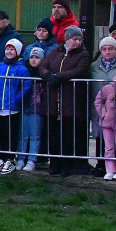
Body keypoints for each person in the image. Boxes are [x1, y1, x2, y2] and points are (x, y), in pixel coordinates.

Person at [39, 25, 91, 177]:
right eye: (75, 39)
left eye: (80, 39)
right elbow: (43, 65)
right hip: (53, 100)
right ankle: (54, 164)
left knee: (68, 135)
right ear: (67, 39)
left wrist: (60, 76)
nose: (78, 42)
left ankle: (67, 166)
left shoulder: (83, 55)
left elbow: (80, 70)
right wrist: (48, 75)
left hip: (70, 100)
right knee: (54, 134)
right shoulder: (56, 51)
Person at [0, 38, 30, 175]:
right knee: (0, 133)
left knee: (11, 133)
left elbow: (26, 86)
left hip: (12, 108)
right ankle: (0, 157)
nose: (9, 51)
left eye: (12, 49)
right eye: (7, 49)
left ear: (17, 51)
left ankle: (10, 158)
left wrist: (17, 99)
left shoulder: (21, 69)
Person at [18, 47, 46, 172]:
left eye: (37, 58)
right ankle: (20, 158)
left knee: (35, 135)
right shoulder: (24, 71)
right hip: (24, 106)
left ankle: (32, 159)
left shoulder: (44, 73)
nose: (34, 60)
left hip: (37, 108)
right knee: (22, 134)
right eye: (32, 57)